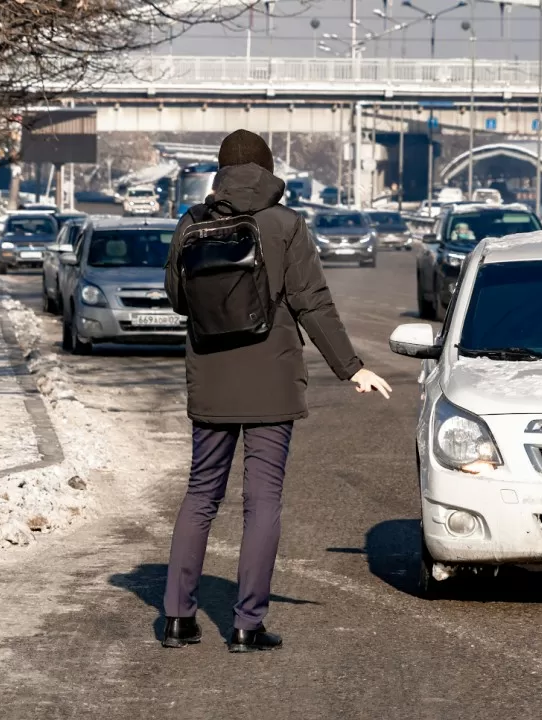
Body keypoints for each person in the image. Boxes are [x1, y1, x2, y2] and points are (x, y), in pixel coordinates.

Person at [162, 129, 392, 653]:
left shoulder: (192, 223)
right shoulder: (287, 225)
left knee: (201, 496)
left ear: (221, 171)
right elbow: (313, 303)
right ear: (268, 171)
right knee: (262, 501)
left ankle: (178, 618)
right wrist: (350, 367)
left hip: (212, 380)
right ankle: (247, 625)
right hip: (271, 381)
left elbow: (178, 299)